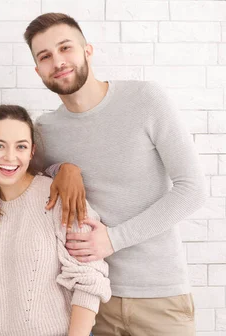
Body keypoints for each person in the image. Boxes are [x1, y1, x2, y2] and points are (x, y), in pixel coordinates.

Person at [25, 13, 207, 335]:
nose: (58, 61)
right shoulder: (44, 132)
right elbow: (27, 191)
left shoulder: (145, 99)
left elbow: (192, 189)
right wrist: (63, 169)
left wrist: (113, 238)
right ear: (38, 70)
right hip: (91, 301)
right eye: (45, 56)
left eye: (65, 48)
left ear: (87, 51)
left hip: (160, 297)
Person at [0, 104, 110, 336]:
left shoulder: (59, 197)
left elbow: (88, 281)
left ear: (31, 152)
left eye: (20, 146)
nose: (10, 157)